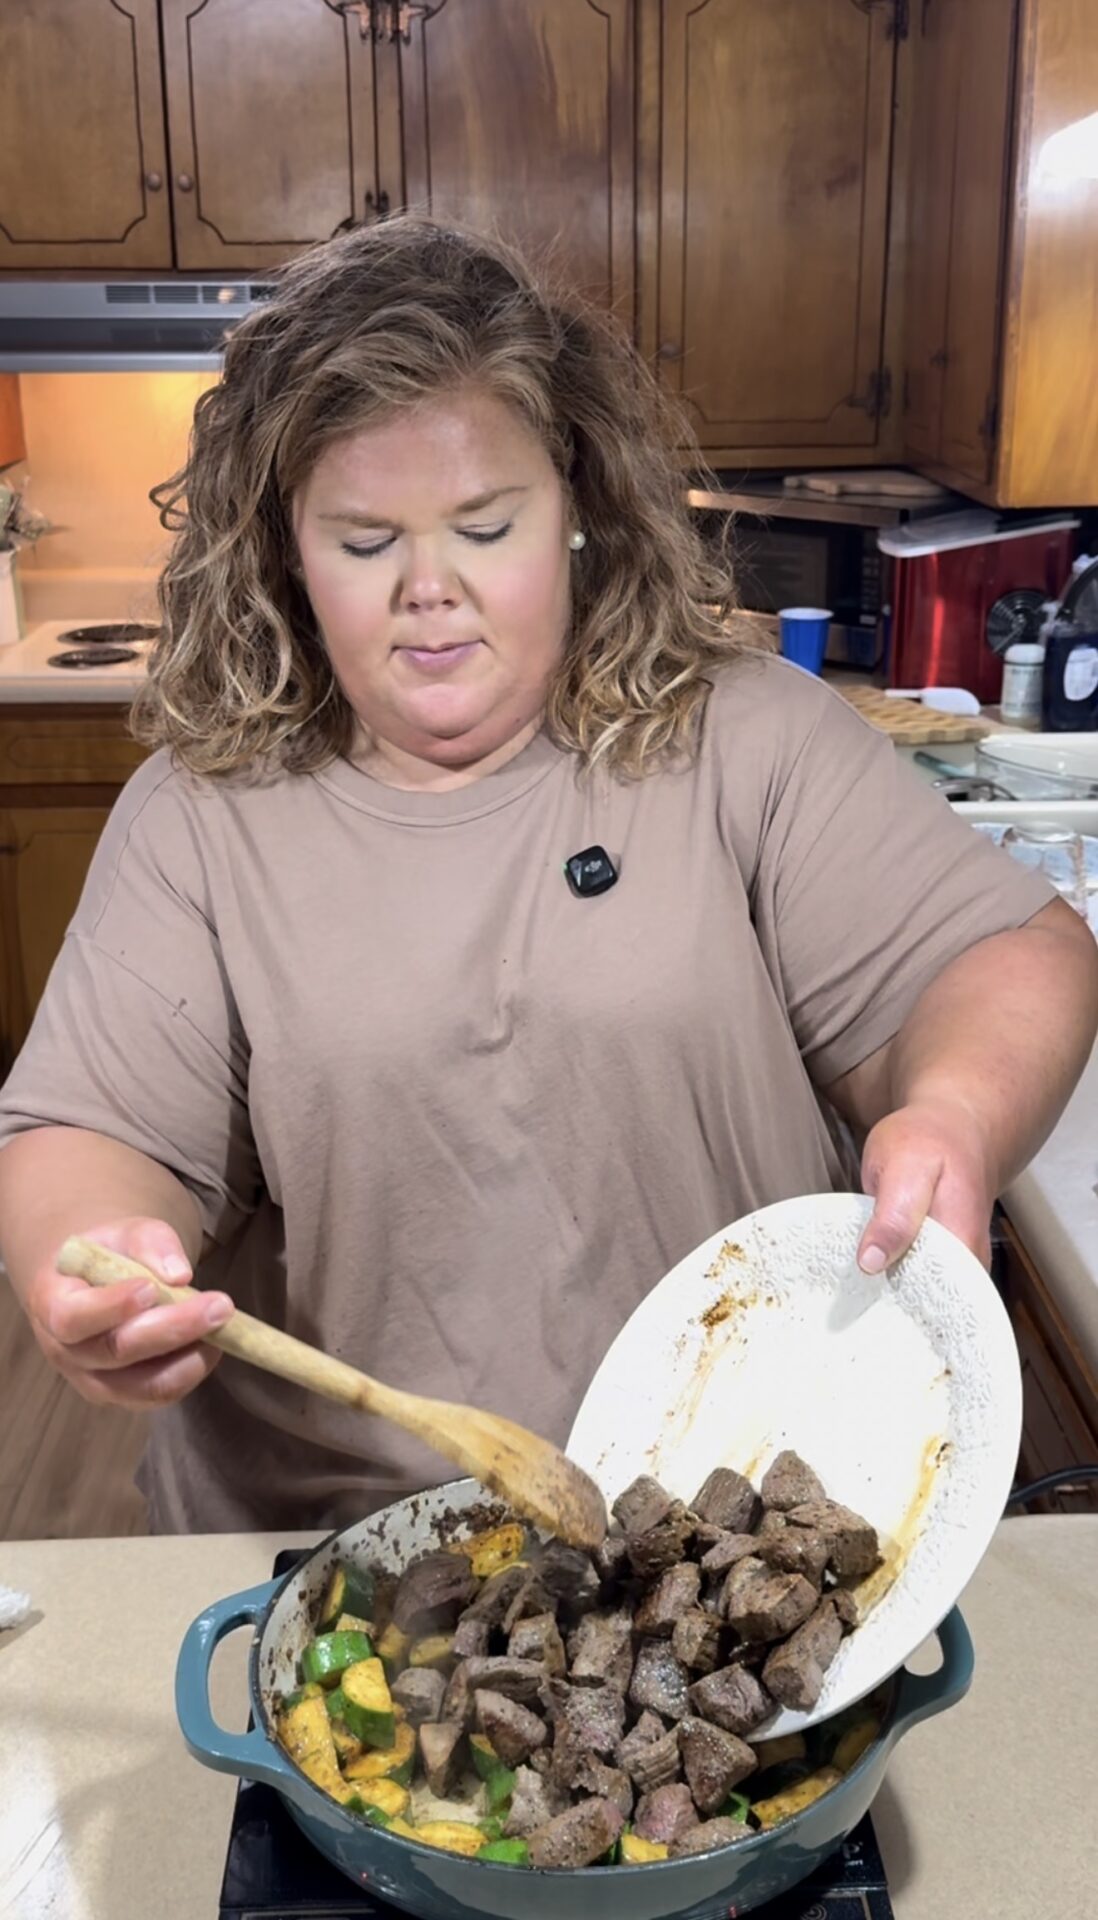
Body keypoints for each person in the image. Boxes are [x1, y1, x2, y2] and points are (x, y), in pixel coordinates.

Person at [0, 220, 1094, 1534]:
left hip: (738, 1505)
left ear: (574, 510)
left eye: (483, 525)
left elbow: (1008, 955)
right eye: (362, 542)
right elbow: (91, 1132)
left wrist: (951, 1116)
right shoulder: (201, 816)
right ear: (283, 550)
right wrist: (104, 1264)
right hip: (341, 1543)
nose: (428, 590)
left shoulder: (744, 737)